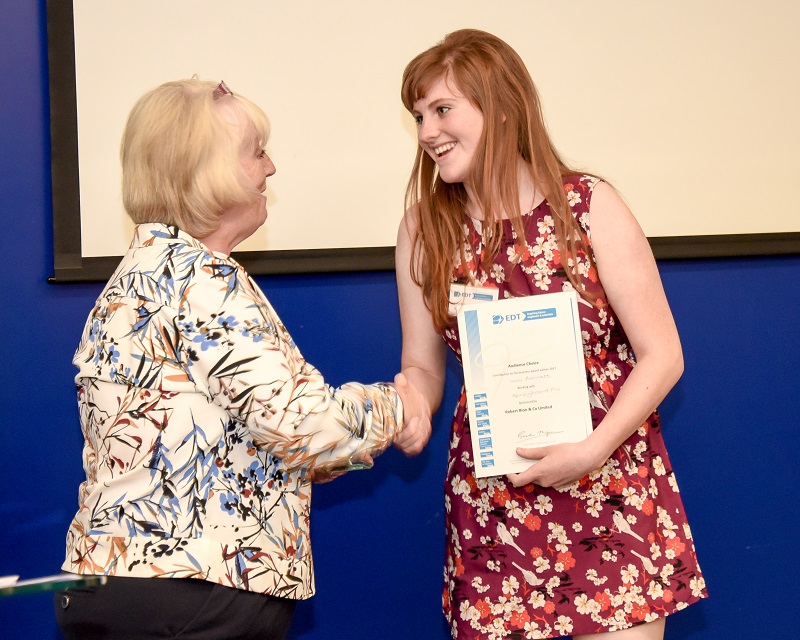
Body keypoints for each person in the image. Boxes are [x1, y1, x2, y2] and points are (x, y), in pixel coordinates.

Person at [54, 78, 422, 640]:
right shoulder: (200, 279)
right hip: (193, 592)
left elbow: (244, 447)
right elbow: (300, 423)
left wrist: (349, 445)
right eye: (256, 152)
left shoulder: (139, 277)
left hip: (121, 582)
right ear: (210, 172)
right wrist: (401, 406)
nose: (271, 168)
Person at [393, 29, 707, 639]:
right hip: (496, 503)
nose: (427, 131)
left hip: (610, 485)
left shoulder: (589, 206)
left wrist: (593, 450)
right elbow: (424, 366)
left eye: (442, 109)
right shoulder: (422, 230)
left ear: (503, 107)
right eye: (418, 116)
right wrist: (409, 405)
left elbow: (663, 355)